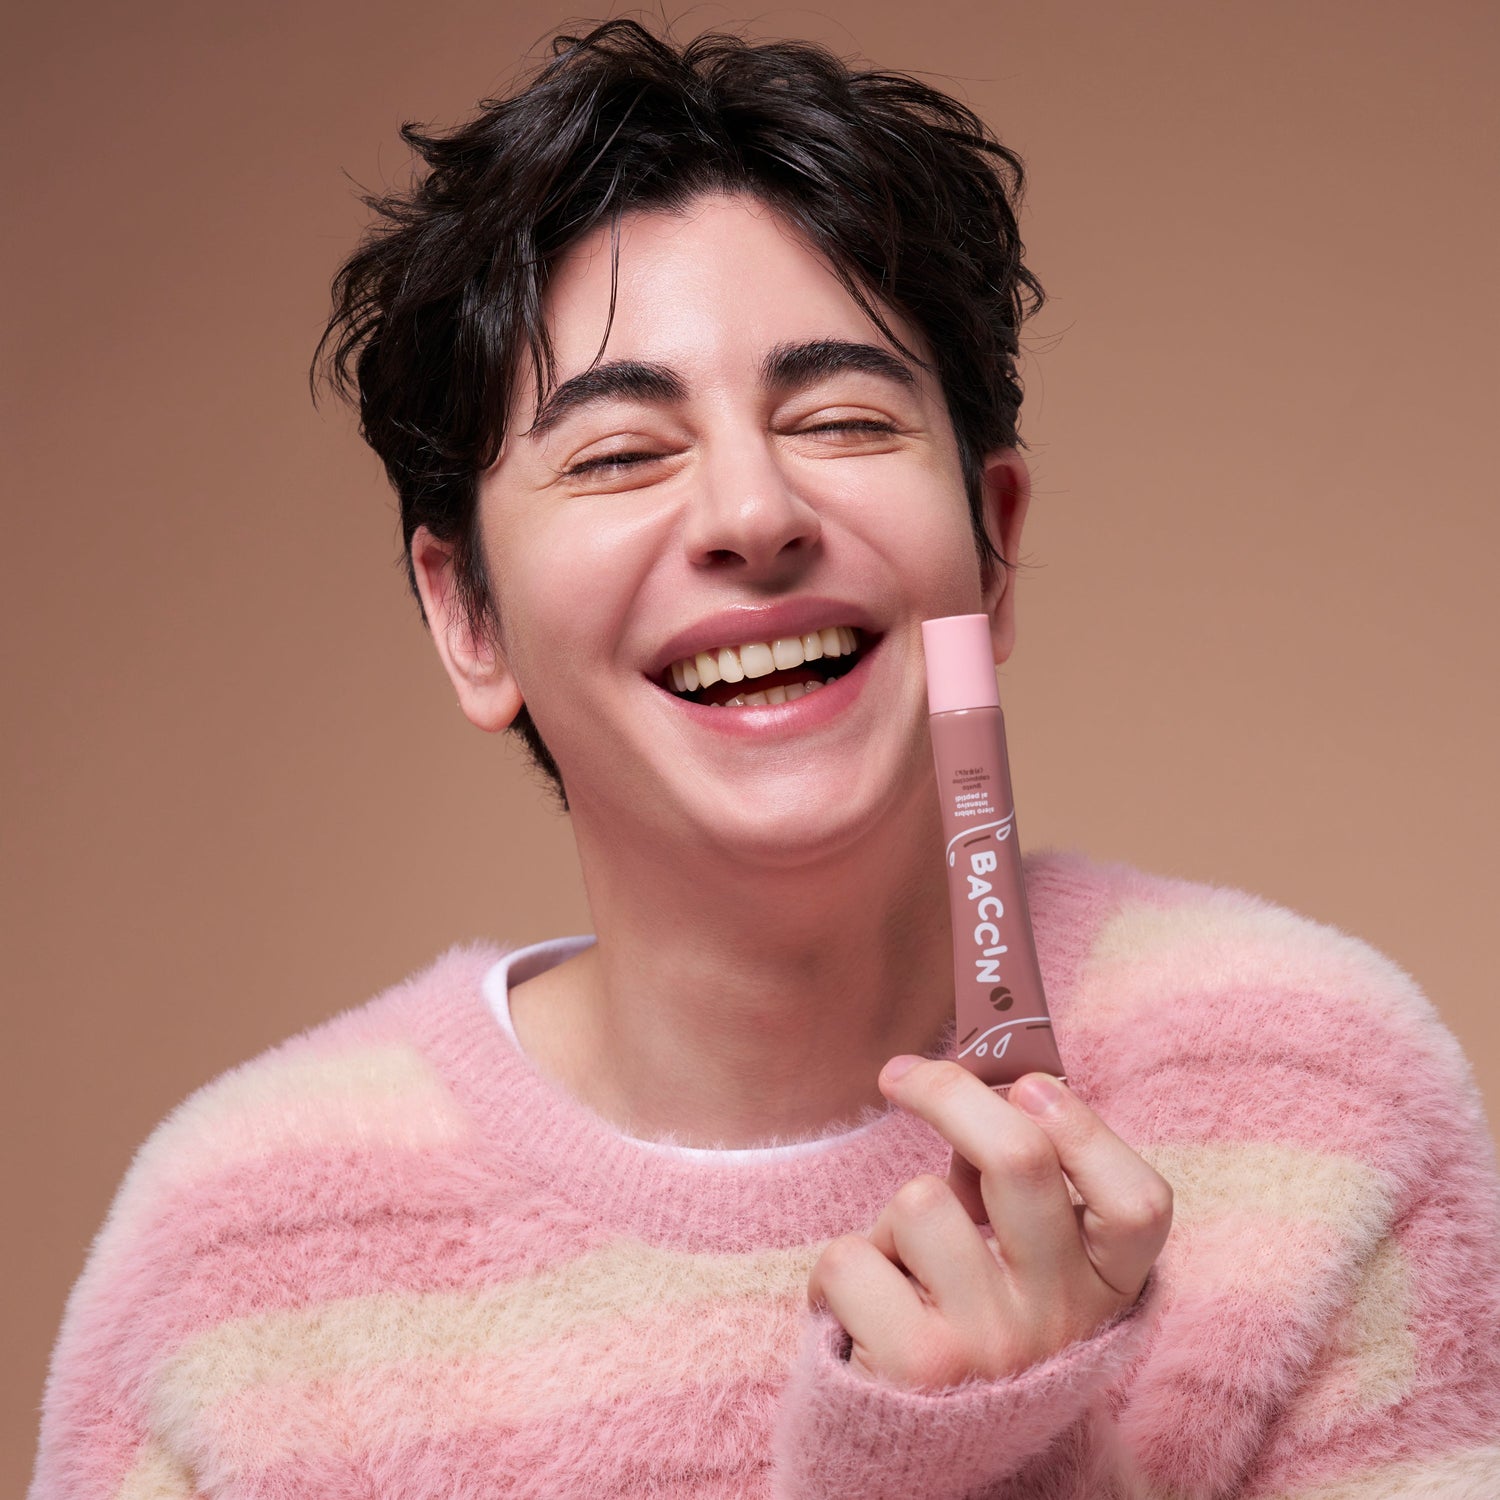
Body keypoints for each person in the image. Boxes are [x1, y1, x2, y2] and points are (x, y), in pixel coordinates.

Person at [30, 19, 1500, 1499]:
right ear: (468, 616)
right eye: (620, 454)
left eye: (842, 419)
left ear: (993, 547)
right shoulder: (234, 1261)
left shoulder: (1313, 1091)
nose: (752, 513)